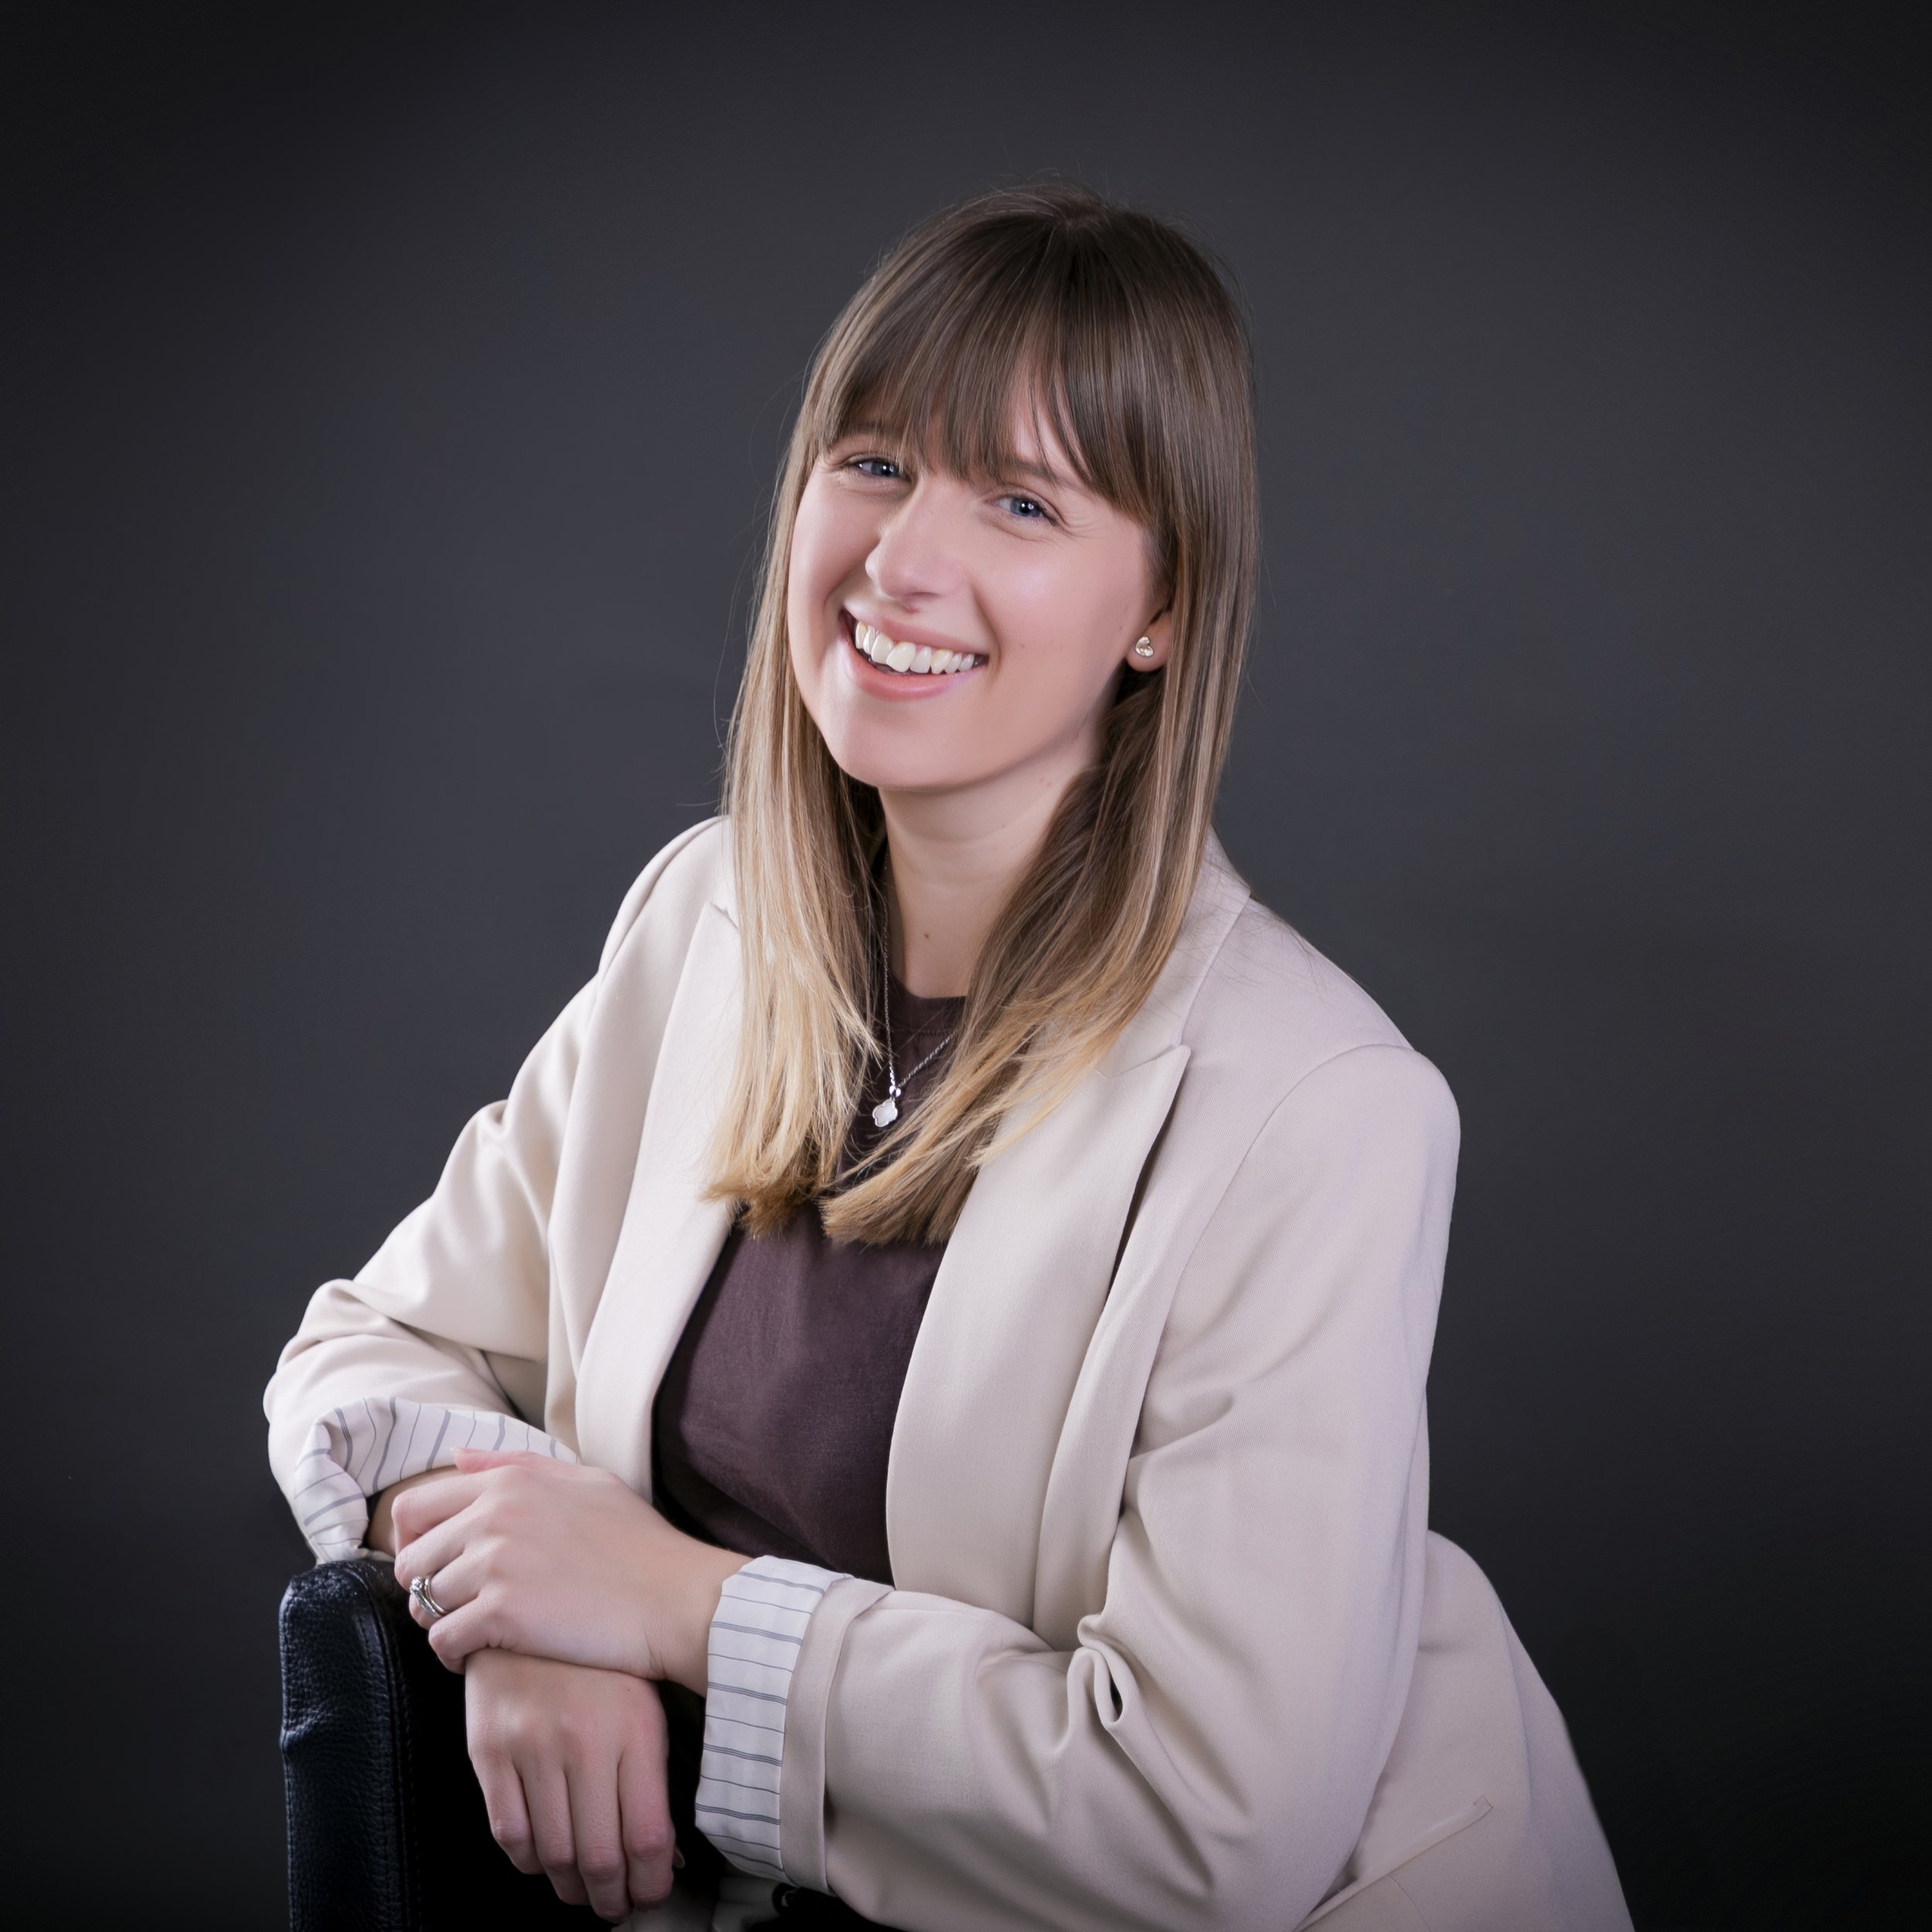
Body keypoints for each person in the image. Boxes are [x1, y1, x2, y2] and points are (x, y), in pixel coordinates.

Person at [266, 184, 1632, 1932]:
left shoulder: (1319, 1108)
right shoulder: (709, 919)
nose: (904, 561)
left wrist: (676, 1608)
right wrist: (516, 1598)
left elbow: (1203, 1831)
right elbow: (367, 1343)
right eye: (876, 462)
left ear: (1159, 608)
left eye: (1021, 501)